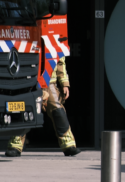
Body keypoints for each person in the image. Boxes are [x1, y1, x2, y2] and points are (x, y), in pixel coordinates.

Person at [7, 30, 79, 158]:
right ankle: (15, 146)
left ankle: (68, 145)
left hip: (49, 83)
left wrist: (65, 83)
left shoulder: (54, 36)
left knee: (58, 111)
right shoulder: (26, 33)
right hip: (30, 81)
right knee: (22, 110)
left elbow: (60, 62)